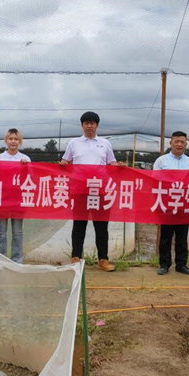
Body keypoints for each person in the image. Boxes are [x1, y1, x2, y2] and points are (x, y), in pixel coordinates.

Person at [61, 111, 124, 272]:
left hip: (100, 191)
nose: (89, 126)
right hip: (80, 190)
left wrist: (120, 166)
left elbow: (111, 163)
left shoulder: (105, 143)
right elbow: (66, 161)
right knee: (79, 225)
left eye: (92, 123)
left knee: (101, 226)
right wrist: (62, 164)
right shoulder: (74, 143)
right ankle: (76, 258)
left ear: (97, 125)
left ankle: (103, 259)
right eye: (86, 123)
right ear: (82, 125)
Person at [153, 131, 189, 276]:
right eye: (177, 141)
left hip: (184, 204)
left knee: (182, 236)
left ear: (186, 144)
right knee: (166, 236)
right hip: (167, 203)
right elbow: (154, 180)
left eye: (182, 142)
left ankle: (181, 265)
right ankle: (164, 265)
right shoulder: (161, 161)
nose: (179, 144)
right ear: (171, 143)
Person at [0, 128, 30, 264]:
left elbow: (30, 179)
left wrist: (26, 168)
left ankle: (16, 261)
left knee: (17, 232)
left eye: (16, 139)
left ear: (20, 141)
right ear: (6, 141)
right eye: (10, 139)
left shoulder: (25, 159)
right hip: (2, 199)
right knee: (1, 231)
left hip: (18, 200)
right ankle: (0, 260)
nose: (13, 141)